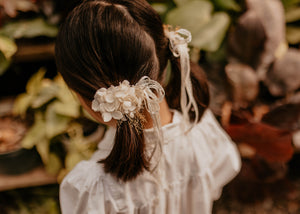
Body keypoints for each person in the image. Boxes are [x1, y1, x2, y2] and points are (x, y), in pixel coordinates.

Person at [55, 0, 241, 213]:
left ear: (88, 100)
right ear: (163, 62)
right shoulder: (202, 130)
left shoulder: (91, 187)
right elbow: (225, 170)